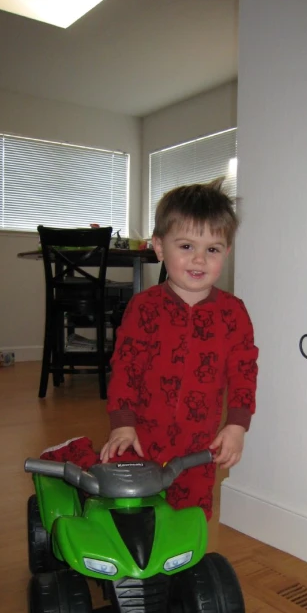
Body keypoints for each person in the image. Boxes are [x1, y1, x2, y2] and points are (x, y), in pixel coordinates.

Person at [99, 179, 259, 520]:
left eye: (212, 249)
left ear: (226, 252)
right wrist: (122, 423)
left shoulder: (233, 313)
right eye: (186, 246)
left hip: (198, 449)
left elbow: (244, 373)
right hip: (139, 439)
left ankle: (186, 570)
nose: (199, 259)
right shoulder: (144, 308)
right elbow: (125, 368)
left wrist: (236, 425)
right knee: (130, 512)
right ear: (159, 247)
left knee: (190, 516)